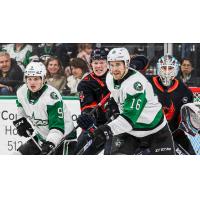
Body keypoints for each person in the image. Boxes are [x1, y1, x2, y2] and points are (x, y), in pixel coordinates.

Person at [89, 47, 175, 155]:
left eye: (118, 64)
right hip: (129, 134)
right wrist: (113, 105)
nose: (114, 69)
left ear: (126, 64)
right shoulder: (109, 77)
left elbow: (128, 121)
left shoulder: (136, 85)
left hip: (156, 132)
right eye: (112, 64)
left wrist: (105, 130)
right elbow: (117, 95)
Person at [12, 61, 75, 155]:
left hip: (64, 140)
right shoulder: (22, 91)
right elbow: (21, 109)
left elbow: (57, 127)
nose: (32, 82)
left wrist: (50, 143)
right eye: (29, 79)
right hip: (41, 138)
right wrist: (20, 121)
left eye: (36, 79)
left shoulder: (51, 96)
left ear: (43, 79)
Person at [148, 55, 195, 154]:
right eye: (164, 67)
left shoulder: (185, 91)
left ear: (176, 69)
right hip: (149, 134)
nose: (167, 71)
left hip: (175, 134)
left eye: (170, 68)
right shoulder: (147, 84)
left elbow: (186, 121)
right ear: (158, 68)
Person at [75, 47, 117, 154]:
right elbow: (88, 107)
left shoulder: (117, 77)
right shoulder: (85, 83)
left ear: (108, 63)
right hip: (96, 126)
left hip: (118, 123)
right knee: (78, 151)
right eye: (95, 62)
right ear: (91, 64)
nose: (98, 66)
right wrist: (88, 121)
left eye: (102, 62)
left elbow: (142, 61)